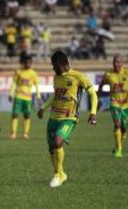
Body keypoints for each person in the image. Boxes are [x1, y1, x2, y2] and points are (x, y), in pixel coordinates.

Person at [37, 50, 98, 188]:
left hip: (69, 118)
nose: (53, 68)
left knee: (58, 141)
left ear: (61, 63)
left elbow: (93, 94)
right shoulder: (56, 78)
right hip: (53, 117)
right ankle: (60, 173)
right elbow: (55, 95)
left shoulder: (79, 77)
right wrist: (43, 108)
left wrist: (93, 112)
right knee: (52, 147)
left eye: (54, 65)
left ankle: (57, 176)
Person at [98, 54, 128, 158]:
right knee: (117, 125)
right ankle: (119, 150)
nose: (117, 64)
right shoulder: (108, 74)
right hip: (114, 103)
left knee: (124, 128)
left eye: (119, 62)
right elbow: (101, 84)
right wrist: (98, 98)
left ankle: (117, 145)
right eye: (115, 62)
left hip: (126, 104)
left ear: (122, 63)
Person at [8, 55, 41, 139]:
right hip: (18, 96)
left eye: (30, 62)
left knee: (27, 116)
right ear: (23, 63)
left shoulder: (33, 73)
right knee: (15, 114)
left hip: (28, 98)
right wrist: (11, 93)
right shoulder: (18, 71)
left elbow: (36, 85)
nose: (28, 64)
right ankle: (13, 133)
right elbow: (14, 83)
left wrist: (38, 96)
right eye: (26, 62)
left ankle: (25, 134)